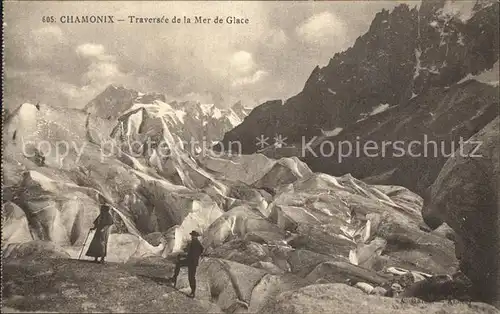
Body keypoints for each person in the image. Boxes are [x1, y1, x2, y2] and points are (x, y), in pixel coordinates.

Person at [168, 230, 204, 298]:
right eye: (192, 235)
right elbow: (201, 250)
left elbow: (193, 253)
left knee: (191, 277)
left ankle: (192, 292)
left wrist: (190, 257)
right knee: (179, 264)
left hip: (192, 262)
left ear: (195, 236)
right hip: (191, 261)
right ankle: (174, 279)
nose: (192, 237)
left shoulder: (195, 243)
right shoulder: (196, 243)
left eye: (193, 236)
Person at [86, 195, 114, 263]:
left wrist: (104, 229)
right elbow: (97, 223)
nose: (101, 209)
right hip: (98, 231)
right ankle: (96, 258)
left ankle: (102, 258)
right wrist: (93, 228)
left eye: (102, 208)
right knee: (96, 243)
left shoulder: (108, 215)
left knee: (102, 244)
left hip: (104, 232)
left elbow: (109, 223)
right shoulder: (101, 215)